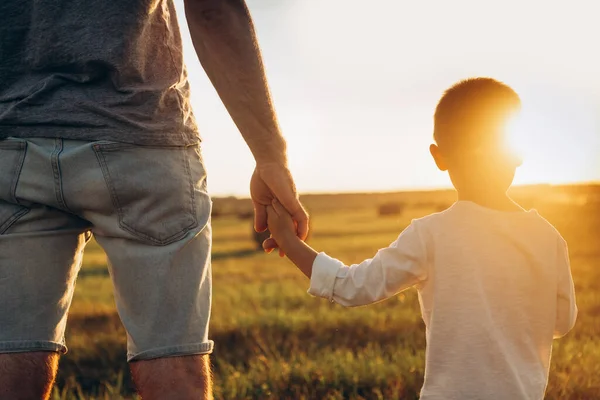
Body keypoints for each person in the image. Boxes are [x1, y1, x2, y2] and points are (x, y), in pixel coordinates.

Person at [0, 1, 307, 399]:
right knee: (173, 361)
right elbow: (213, 9)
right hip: (145, 134)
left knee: (10, 354)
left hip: (13, 139)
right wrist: (270, 154)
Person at [265, 78, 578, 400]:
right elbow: (561, 323)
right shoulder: (548, 238)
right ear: (517, 153)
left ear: (438, 157)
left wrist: (290, 242)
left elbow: (352, 286)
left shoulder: (430, 234)